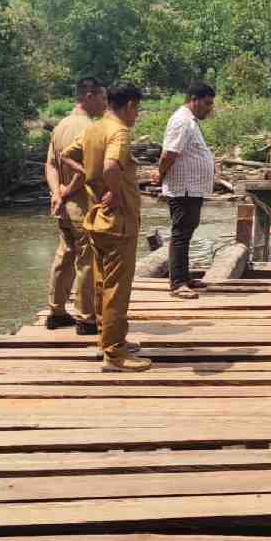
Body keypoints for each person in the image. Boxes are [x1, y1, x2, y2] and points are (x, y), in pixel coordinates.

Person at [62, 83, 152, 372]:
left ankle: (108, 341)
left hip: (96, 219)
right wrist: (112, 190)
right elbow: (112, 165)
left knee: (102, 285)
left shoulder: (93, 128)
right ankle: (115, 355)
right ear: (128, 106)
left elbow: (66, 155)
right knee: (117, 289)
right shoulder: (119, 132)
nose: (137, 115)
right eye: (137, 109)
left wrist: (90, 179)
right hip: (118, 222)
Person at [45, 75, 106, 334]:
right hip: (82, 206)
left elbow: (49, 164)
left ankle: (56, 311)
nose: (105, 103)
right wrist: (68, 193)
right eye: (102, 97)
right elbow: (86, 172)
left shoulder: (60, 126)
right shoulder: (90, 128)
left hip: (62, 207)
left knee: (64, 255)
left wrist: (56, 193)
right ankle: (86, 318)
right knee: (86, 260)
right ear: (89, 96)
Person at [157, 83, 217, 299]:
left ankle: (184, 276)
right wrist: (160, 175)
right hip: (182, 188)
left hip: (191, 188)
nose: (209, 108)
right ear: (194, 99)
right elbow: (169, 153)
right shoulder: (182, 120)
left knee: (187, 232)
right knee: (181, 233)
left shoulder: (189, 121)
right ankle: (178, 283)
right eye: (207, 103)